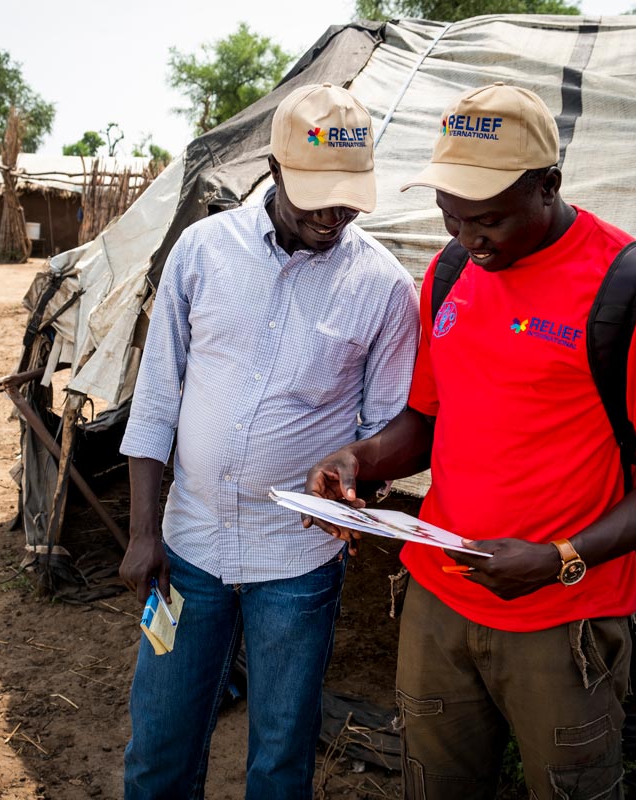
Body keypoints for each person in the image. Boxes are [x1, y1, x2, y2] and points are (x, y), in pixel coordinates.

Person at [304, 82, 636, 799]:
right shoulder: (453, 271)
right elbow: (428, 423)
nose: (468, 238)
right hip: (438, 599)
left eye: (488, 219)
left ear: (549, 184)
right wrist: (362, 459)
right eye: (451, 217)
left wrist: (560, 558)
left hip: (563, 617)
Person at [117, 82, 419, 799]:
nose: (335, 212)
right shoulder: (202, 252)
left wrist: (357, 491)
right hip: (188, 549)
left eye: (349, 194)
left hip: (298, 565)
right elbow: (158, 398)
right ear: (275, 170)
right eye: (317, 192)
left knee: (282, 753)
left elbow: (385, 432)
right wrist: (141, 532)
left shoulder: (381, 285)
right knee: (160, 740)